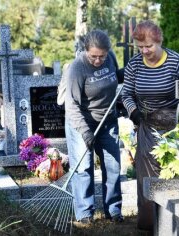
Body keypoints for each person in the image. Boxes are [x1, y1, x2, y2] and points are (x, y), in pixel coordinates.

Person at [122, 20, 179, 232]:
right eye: (140, 47)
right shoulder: (134, 65)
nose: (145, 51)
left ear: (159, 41)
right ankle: (151, 225)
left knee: (175, 175)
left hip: (175, 127)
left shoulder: (177, 63)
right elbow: (127, 93)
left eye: (149, 46)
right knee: (148, 180)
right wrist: (133, 111)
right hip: (147, 126)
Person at [64, 29, 123, 224]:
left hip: (108, 120)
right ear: (85, 50)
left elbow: (115, 76)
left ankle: (113, 210)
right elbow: (71, 105)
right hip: (81, 121)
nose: (98, 61)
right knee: (83, 167)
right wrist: (85, 132)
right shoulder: (77, 68)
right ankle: (85, 213)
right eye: (93, 56)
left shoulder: (110, 57)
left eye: (102, 56)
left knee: (113, 165)